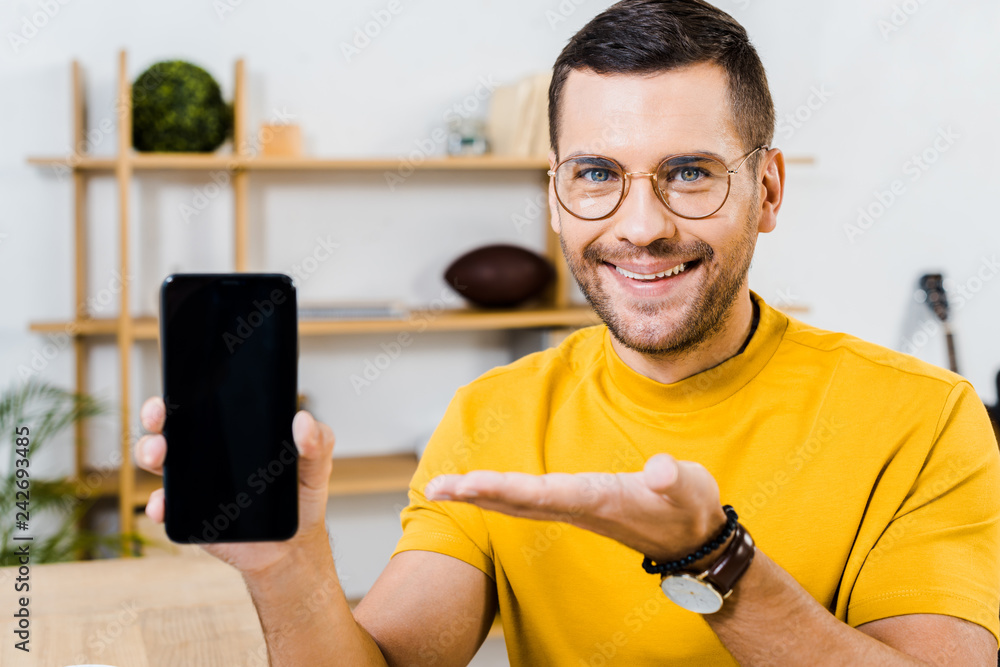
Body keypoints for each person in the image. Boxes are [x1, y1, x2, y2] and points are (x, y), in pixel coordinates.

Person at [135, 1, 1000, 664]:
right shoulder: (491, 417)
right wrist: (289, 568)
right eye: (596, 174)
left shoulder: (924, 418)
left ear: (767, 190)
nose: (641, 226)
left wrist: (715, 560)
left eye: (689, 172)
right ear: (554, 194)